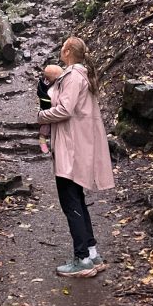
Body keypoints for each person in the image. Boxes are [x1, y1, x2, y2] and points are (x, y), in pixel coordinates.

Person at [37, 36, 115, 279]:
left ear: (69, 51)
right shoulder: (83, 76)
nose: (61, 50)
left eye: (63, 47)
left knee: (71, 203)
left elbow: (65, 109)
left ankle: (82, 260)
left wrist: (41, 115)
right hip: (78, 146)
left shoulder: (72, 76)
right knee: (78, 201)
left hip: (70, 149)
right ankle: (92, 254)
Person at [36, 63, 63, 153]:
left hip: (53, 110)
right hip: (47, 109)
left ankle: (52, 144)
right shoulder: (46, 85)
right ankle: (42, 140)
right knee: (45, 126)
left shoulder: (55, 85)